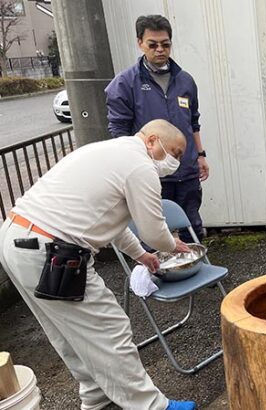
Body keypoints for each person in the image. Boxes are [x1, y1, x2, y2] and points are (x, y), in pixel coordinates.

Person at [0, 120, 197, 410]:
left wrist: (140, 256)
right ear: (152, 140)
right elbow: (154, 232)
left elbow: (109, 219)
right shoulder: (140, 166)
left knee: (69, 335)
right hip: (52, 251)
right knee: (110, 328)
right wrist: (172, 245)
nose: (176, 162)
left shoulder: (110, 152)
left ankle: (96, 398)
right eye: (175, 153)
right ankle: (153, 406)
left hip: (17, 238)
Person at [105, 15, 209, 244]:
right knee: (151, 230)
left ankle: (193, 269)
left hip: (186, 168)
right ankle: (155, 276)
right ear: (140, 43)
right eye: (153, 44)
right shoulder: (124, 83)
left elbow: (193, 121)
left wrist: (200, 155)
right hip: (150, 172)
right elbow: (119, 132)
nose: (160, 50)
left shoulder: (185, 81)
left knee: (191, 225)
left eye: (165, 44)